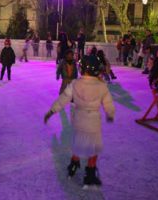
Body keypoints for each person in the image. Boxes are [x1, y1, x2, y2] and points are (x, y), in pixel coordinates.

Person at [44, 55, 115, 188]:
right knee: (94, 148)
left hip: (78, 119)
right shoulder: (101, 86)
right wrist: (110, 113)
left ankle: (74, 164)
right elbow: (108, 102)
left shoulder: (75, 84)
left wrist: (52, 111)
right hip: (93, 121)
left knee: (78, 143)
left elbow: (63, 98)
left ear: (82, 68)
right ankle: (90, 173)